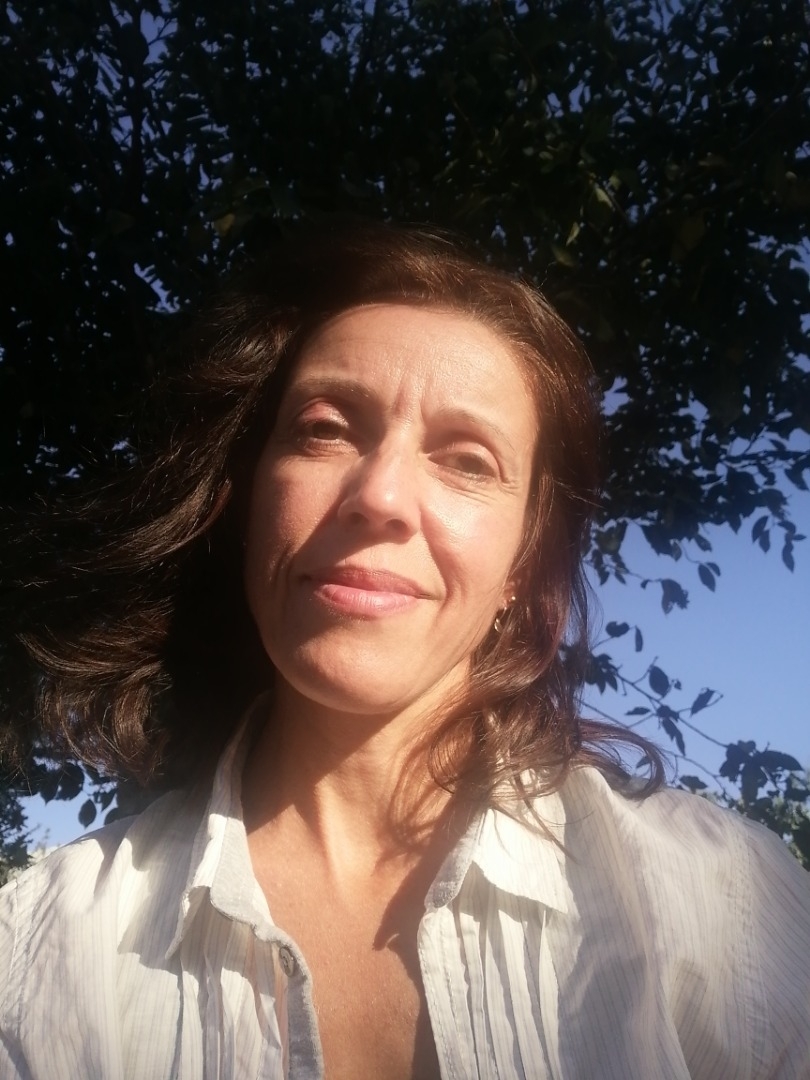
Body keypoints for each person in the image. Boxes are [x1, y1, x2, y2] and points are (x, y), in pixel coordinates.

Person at [0, 222, 808, 1080]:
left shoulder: (729, 913)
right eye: (324, 429)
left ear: (521, 567)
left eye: (468, 461)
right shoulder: (39, 955)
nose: (379, 495)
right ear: (247, 504)